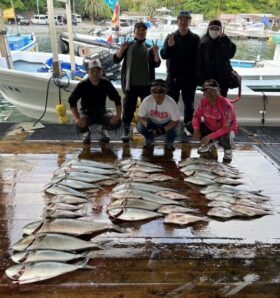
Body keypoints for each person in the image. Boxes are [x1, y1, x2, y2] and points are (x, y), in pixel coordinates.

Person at [113, 21, 161, 142]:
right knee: (128, 109)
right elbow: (116, 60)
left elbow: (157, 63)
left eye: (143, 30)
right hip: (131, 84)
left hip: (147, 85)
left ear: (146, 33)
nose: (141, 32)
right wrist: (121, 49)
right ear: (134, 32)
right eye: (138, 30)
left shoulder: (149, 47)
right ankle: (126, 128)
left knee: (148, 110)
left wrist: (155, 52)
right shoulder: (128, 46)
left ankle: (148, 131)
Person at [160, 11, 200, 132]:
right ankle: (171, 126)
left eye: (186, 20)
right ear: (177, 22)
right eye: (181, 20)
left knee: (189, 105)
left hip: (190, 77)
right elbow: (163, 55)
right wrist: (170, 46)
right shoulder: (170, 37)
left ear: (189, 22)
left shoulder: (195, 38)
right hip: (173, 77)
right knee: (172, 103)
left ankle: (188, 127)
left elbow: (199, 59)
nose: (183, 22)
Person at [68, 59, 122, 144]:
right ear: (88, 72)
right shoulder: (82, 84)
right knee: (78, 125)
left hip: (102, 112)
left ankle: (103, 129)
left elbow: (117, 99)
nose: (95, 73)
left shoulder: (106, 83)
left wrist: (118, 115)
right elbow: (72, 101)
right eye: (92, 70)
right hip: (86, 113)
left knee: (117, 122)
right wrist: (77, 118)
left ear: (101, 72)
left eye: (98, 70)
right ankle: (86, 132)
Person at [186, 79, 238, 162]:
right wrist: (196, 129)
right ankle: (210, 143)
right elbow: (196, 116)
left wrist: (209, 136)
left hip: (227, 130)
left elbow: (226, 129)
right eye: (205, 91)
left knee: (224, 138)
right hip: (211, 127)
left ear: (218, 91)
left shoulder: (227, 106)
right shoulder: (203, 101)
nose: (207, 94)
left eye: (211, 90)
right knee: (190, 125)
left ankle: (228, 150)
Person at [136, 79, 181, 151]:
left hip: (167, 123)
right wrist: (146, 124)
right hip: (152, 123)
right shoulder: (146, 100)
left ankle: (169, 142)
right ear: (151, 91)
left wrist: (163, 130)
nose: (158, 94)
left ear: (166, 91)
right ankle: (149, 140)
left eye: (161, 92)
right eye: (155, 91)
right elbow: (140, 116)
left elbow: (175, 120)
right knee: (139, 126)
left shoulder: (171, 102)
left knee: (179, 128)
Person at [197, 20, 236, 97]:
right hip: (208, 80)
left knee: (222, 101)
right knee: (209, 102)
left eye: (217, 28)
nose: (214, 31)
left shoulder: (225, 41)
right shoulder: (202, 43)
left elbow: (230, 54)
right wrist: (202, 80)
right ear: (208, 29)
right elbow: (199, 63)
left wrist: (226, 40)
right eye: (212, 28)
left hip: (222, 79)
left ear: (221, 30)